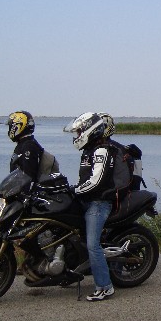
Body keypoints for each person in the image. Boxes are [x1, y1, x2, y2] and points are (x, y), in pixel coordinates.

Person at [68, 111, 118, 301]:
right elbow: (84, 180)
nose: (77, 135)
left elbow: (96, 182)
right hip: (87, 200)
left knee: (93, 245)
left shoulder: (102, 151)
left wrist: (75, 191)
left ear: (90, 130)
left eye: (80, 131)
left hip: (98, 203)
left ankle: (105, 286)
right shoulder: (88, 150)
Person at [7, 110, 43, 180]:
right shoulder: (26, 143)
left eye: (10, 126)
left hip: (24, 190)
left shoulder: (28, 146)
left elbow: (29, 176)